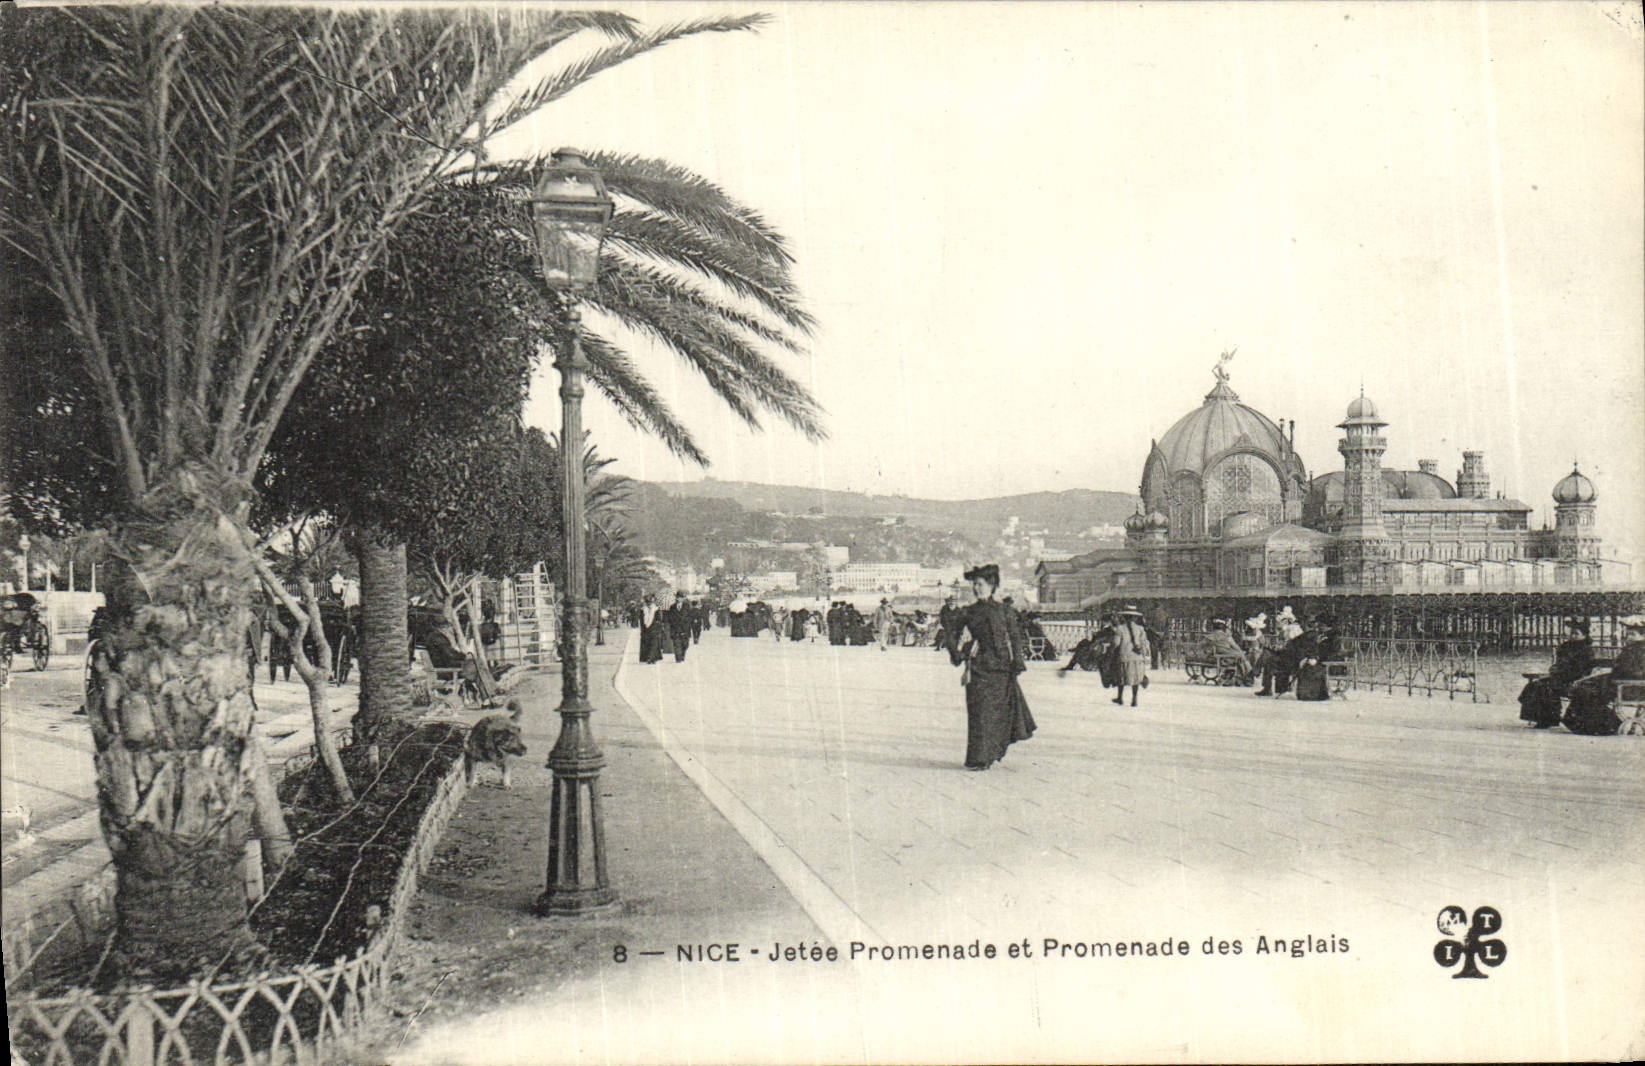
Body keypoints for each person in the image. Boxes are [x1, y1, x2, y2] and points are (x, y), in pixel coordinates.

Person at [945, 564, 1035, 771]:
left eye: (981, 585)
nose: (977, 589)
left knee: (1001, 713)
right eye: (975, 585)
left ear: (992, 586)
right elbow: (951, 631)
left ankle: (992, 752)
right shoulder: (969, 612)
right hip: (979, 668)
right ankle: (979, 757)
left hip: (1002, 669)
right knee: (980, 713)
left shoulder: (1005, 610)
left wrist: (1018, 662)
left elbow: (1015, 637)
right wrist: (956, 653)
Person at [1562, 614, 1645, 735]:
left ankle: (1603, 725)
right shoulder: (1632, 648)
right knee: (1585, 688)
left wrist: (1613, 674)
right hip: (1621, 683)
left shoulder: (1640, 650)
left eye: (1632, 634)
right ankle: (1592, 725)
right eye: (1628, 633)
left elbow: (1635, 672)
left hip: (1629, 687)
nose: (1628, 637)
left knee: (1586, 691)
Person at [1517, 618, 1594, 728]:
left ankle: (1549, 719)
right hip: (1560, 677)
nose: (1573, 636)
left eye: (1576, 634)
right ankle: (1540, 717)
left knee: (1546, 687)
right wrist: (1555, 670)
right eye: (1572, 633)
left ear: (1584, 636)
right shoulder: (1565, 647)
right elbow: (1558, 664)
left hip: (1574, 679)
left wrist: (1561, 672)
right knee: (1535, 685)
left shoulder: (1586, 650)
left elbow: (1582, 669)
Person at [1110, 606, 1151, 707]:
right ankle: (1134, 699)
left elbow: (1116, 643)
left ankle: (1120, 697)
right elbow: (1144, 643)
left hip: (1124, 657)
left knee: (1122, 677)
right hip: (1137, 658)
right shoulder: (1140, 629)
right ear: (1135, 618)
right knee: (1135, 679)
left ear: (1124, 617)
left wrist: (1111, 651)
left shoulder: (1120, 629)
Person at [1200, 619, 1252, 683]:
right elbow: (1235, 646)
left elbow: (1202, 645)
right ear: (1223, 628)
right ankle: (1247, 675)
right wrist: (1241, 651)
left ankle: (1236, 676)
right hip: (1227, 654)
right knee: (1241, 656)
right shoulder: (1226, 636)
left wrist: (1207, 650)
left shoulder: (1209, 636)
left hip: (1215, 656)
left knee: (1240, 657)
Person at [638, 593, 669, 664]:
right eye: (647, 603)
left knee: (654, 644)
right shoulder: (642, 610)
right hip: (646, 630)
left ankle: (651, 658)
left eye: (650, 602)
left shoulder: (656, 609)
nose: (648, 604)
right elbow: (641, 620)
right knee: (647, 644)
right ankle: (648, 657)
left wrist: (659, 626)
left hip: (654, 629)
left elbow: (660, 619)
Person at [662, 593, 691, 662]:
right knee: (676, 643)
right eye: (678, 597)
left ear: (683, 599)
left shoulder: (687, 606)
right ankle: (678, 657)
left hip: (685, 629)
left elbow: (690, 616)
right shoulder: (672, 607)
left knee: (685, 644)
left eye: (681, 597)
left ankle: (682, 654)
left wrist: (688, 623)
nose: (679, 599)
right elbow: (669, 617)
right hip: (675, 628)